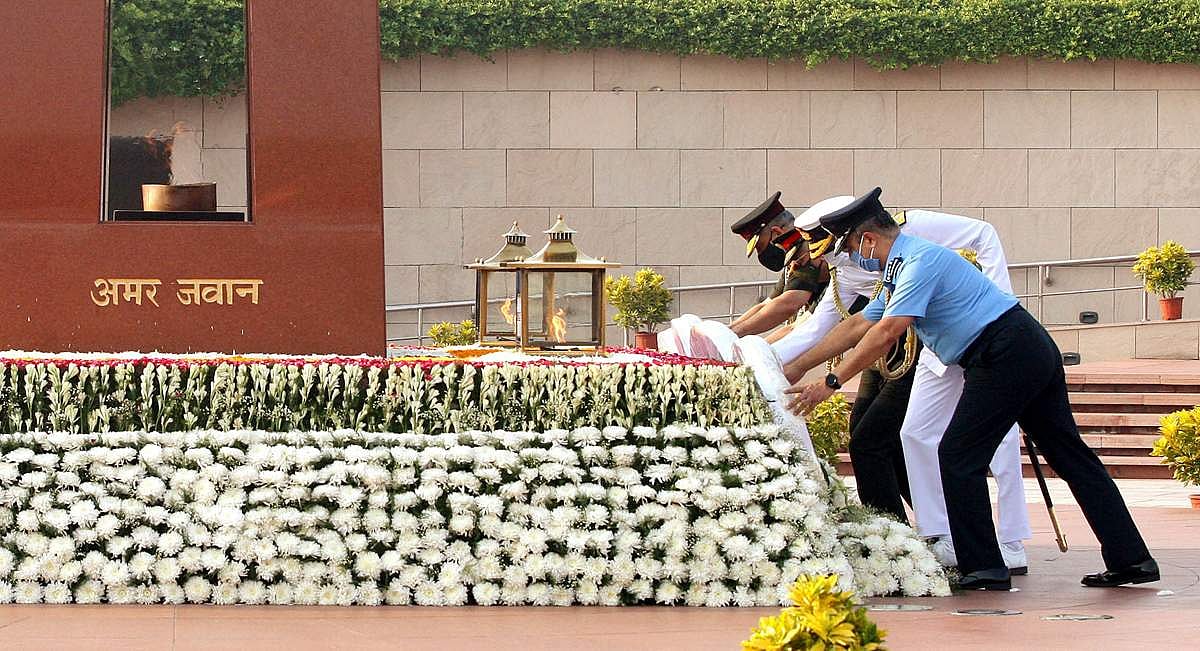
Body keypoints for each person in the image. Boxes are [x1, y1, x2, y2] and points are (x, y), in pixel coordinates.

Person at [785, 188, 1159, 591]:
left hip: (1004, 352)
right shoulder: (899, 269)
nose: (849, 258)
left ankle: (984, 567)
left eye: (848, 248)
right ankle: (1132, 559)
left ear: (869, 240)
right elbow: (859, 324)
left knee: (959, 454)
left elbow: (887, 331)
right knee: (1070, 456)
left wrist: (831, 382)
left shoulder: (919, 262)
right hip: (1019, 348)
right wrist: (797, 366)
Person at [768, 191, 1031, 572]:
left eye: (839, 247)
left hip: (982, 331)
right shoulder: (852, 264)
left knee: (1000, 441)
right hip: (932, 344)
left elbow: (983, 235)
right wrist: (780, 363)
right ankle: (941, 535)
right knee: (914, 434)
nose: (835, 259)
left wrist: (1000, 299)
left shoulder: (915, 230)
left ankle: (1011, 540)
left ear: (857, 233)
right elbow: (837, 326)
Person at [728, 191, 832, 340]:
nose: (761, 254)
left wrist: (734, 335)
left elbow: (787, 305)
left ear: (776, 232)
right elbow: (767, 304)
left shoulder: (805, 253)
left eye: (760, 246)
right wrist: (729, 330)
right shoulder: (792, 256)